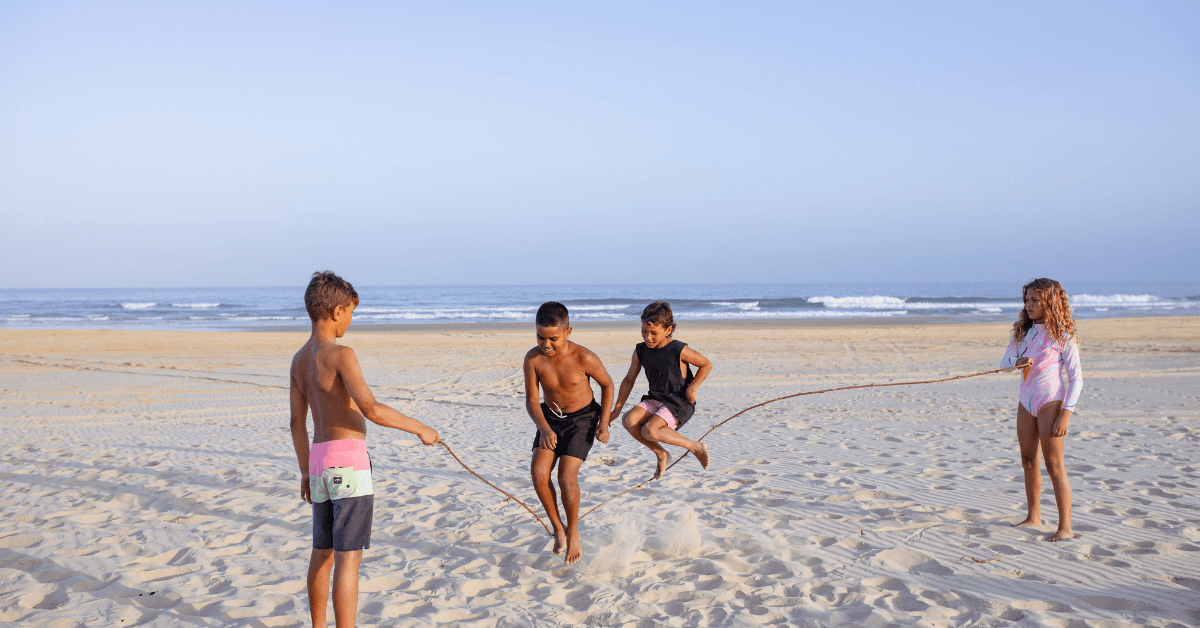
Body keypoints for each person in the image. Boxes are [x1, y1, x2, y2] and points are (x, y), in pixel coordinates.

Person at [289, 271, 440, 627]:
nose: (351, 321)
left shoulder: (298, 360)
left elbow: (297, 424)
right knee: (348, 559)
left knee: (321, 552)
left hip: (320, 462)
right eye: (352, 312)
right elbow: (371, 408)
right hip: (350, 463)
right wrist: (422, 429)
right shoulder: (341, 354)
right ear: (338, 311)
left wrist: (305, 471)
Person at [523, 302, 615, 565]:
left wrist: (604, 423)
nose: (546, 344)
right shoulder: (533, 359)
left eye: (553, 338)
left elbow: (607, 385)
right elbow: (532, 400)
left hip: (582, 420)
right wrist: (544, 428)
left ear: (568, 332)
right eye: (541, 337)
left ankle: (573, 530)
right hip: (549, 418)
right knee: (539, 473)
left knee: (565, 477)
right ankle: (557, 527)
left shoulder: (583, 357)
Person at [1001, 278, 1083, 542]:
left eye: (1035, 300)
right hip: (1026, 401)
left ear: (1050, 301)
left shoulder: (1063, 335)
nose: (1029, 305)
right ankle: (1033, 516)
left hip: (1051, 402)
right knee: (1028, 460)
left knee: (1054, 465)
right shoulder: (1022, 332)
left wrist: (1066, 413)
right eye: (1026, 300)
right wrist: (1018, 361)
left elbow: (1077, 379)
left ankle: (1065, 527)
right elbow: (1005, 362)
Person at [612, 300, 713, 480]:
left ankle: (695, 447)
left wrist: (692, 387)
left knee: (650, 431)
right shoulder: (640, 351)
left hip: (679, 401)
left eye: (653, 333)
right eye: (644, 331)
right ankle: (661, 454)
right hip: (656, 398)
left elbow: (706, 364)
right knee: (629, 420)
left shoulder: (678, 349)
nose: (648, 337)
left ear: (668, 330)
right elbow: (628, 380)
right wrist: (617, 409)